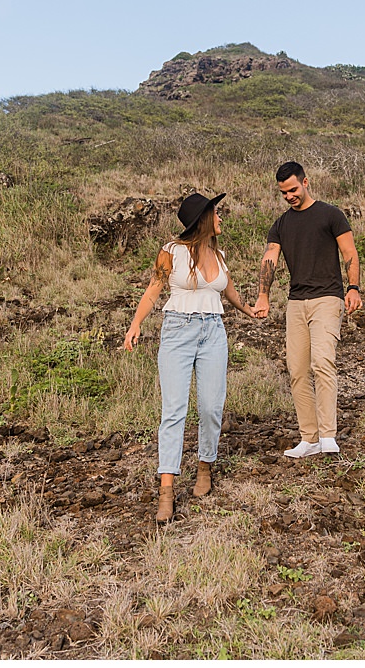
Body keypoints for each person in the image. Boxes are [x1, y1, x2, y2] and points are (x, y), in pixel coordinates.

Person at [123, 192, 258, 523]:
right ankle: (166, 491)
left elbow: (229, 292)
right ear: (203, 219)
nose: (221, 219)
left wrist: (249, 310)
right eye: (217, 214)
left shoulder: (220, 255)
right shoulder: (171, 252)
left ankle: (204, 466)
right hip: (177, 332)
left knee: (212, 406)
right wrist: (135, 324)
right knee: (174, 410)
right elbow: (154, 289)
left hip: (213, 332)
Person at [251, 161, 363, 458]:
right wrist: (263, 295)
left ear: (306, 182)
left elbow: (349, 252)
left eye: (293, 189)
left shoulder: (331, 215)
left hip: (328, 297)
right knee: (297, 370)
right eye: (283, 192)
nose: (289, 196)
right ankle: (309, 438)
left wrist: (353, 288)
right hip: (296, 302)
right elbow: (270, 259)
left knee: (322, 362)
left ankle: (328, 435)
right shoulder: (281, 224)